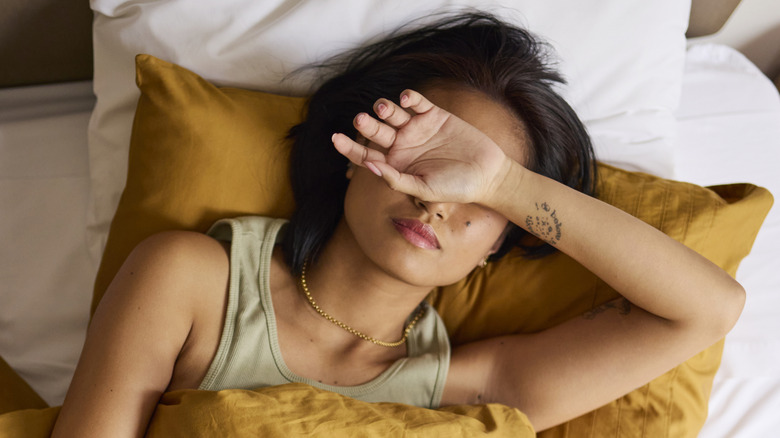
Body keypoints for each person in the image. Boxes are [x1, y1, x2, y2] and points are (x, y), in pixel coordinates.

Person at [51, 12, 744, 437]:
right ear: (356, 155)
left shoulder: (470, 388)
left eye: (476, 196)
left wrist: (506, 183)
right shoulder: (193, 281)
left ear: (498, 244)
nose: (438, 200)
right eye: (426, 161)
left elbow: (708, 311)